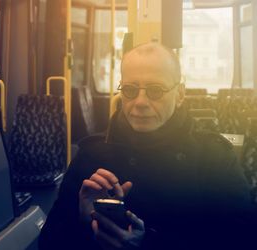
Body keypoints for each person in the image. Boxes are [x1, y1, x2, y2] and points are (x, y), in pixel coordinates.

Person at [39, 42, 257, 250]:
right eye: (130, 90)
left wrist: (150, 244)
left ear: (180, 94)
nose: (140, 102)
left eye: (155, 90)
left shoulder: (213, 157)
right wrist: (83, 220)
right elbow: (49, 243)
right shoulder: (91, 155)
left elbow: (241, 241)